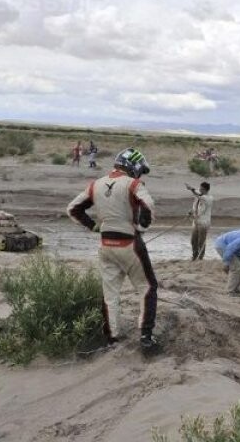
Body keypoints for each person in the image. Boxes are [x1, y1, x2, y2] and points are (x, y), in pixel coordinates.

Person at [67, 147, 159, 352]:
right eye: (140, 170)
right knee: (148, 288)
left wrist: (92, 226)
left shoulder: (96, 184)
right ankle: (146, 336)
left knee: (110, 295)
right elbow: (149, 205)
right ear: (134, 166)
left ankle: (112, 339)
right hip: (129, 244)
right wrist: (142, 227)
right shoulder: (133, 184)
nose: (140, 174)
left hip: (105, 245)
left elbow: (72, 209)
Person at [185, 181, 213, 261]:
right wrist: (191, 211)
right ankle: (194, 256)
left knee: (201, 241)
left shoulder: (209, 198)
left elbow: (198, 195)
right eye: (199, 188)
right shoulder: (198, 197)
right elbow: (195, 206)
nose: (200, 190)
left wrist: (191, 189)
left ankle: (200, 258)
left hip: (204, 223)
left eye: (201, 189)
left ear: (206, 190)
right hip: (196, 222)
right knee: (193, 240)